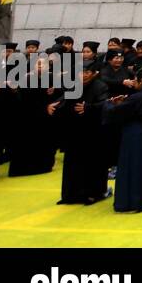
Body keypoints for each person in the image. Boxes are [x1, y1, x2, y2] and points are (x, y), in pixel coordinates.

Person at [52, 59, 108, 205]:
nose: (83, 75)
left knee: (92, 163)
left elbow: (105, 104)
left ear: (93, 74)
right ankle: (70, 195)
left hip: (92, 132)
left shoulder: (100, 86)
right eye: (81, 72)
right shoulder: (73, 86)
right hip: (74, 131)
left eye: (87, 72)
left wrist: (88, 107)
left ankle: (94, 193)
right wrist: (53, 106)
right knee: (72, 163)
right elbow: (63, 100)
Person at [104, 67, 142, 213]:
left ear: (141, 81)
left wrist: (110, 103)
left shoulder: (136, 98)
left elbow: (116, 112)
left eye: (136, 80)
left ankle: (130, 202)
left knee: (131, 167)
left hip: (134, 136)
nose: (134, 82)